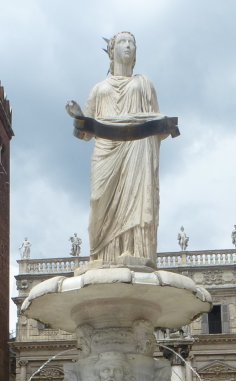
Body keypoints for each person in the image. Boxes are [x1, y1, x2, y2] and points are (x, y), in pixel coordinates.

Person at [66, 31, 177, 269]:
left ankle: (135, 251)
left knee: (138, 201)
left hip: (138, 147)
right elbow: (85, 133)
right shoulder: (99, 89)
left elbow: (157, 122)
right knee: (98, 199)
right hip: (106, 149)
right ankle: (101, 256)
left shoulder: (144, 84)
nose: (128, 46)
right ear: (112, 50)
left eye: (132, 43)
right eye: (123, 42)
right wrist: (78, 117)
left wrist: (164, 123)